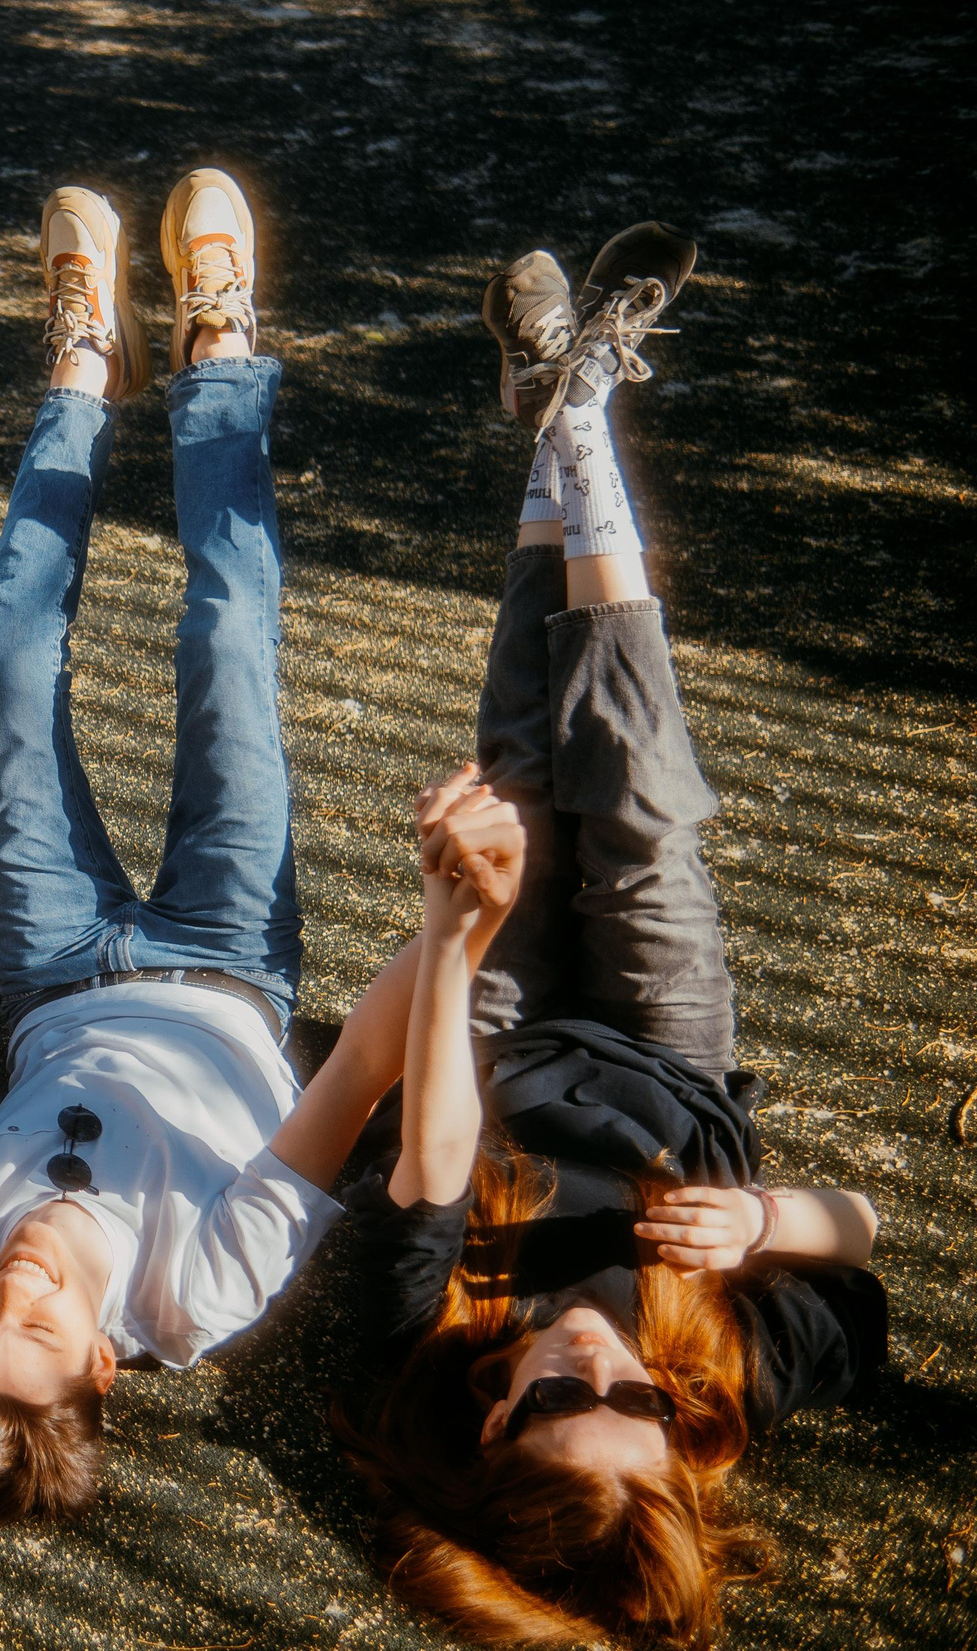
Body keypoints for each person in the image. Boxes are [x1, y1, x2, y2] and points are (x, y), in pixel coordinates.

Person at [327, 226, 886, 1648]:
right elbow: (862, 1251)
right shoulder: (723, 1378)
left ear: (496, 1419)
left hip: (502, 1027)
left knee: (517, 758)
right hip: (669, 1049)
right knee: (639, 797)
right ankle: (576, 414)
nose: (598, 1365)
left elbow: (434, 1157)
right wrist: (768, 1220)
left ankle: (559, 416)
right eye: (633, 1405)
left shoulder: (425, 1344)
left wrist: (458, 930)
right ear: (678, 1433)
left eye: (560, 1402)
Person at [0, 173, 403, 1520]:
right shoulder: (198, 1290)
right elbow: (363, 1071)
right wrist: (458, 910)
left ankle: (85, 368)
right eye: (36, 1325)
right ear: (104, 1361)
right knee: (227, 643)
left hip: (49, 964)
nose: (12, 1281)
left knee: (9, 666)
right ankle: (221, 353)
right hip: (227, 967)